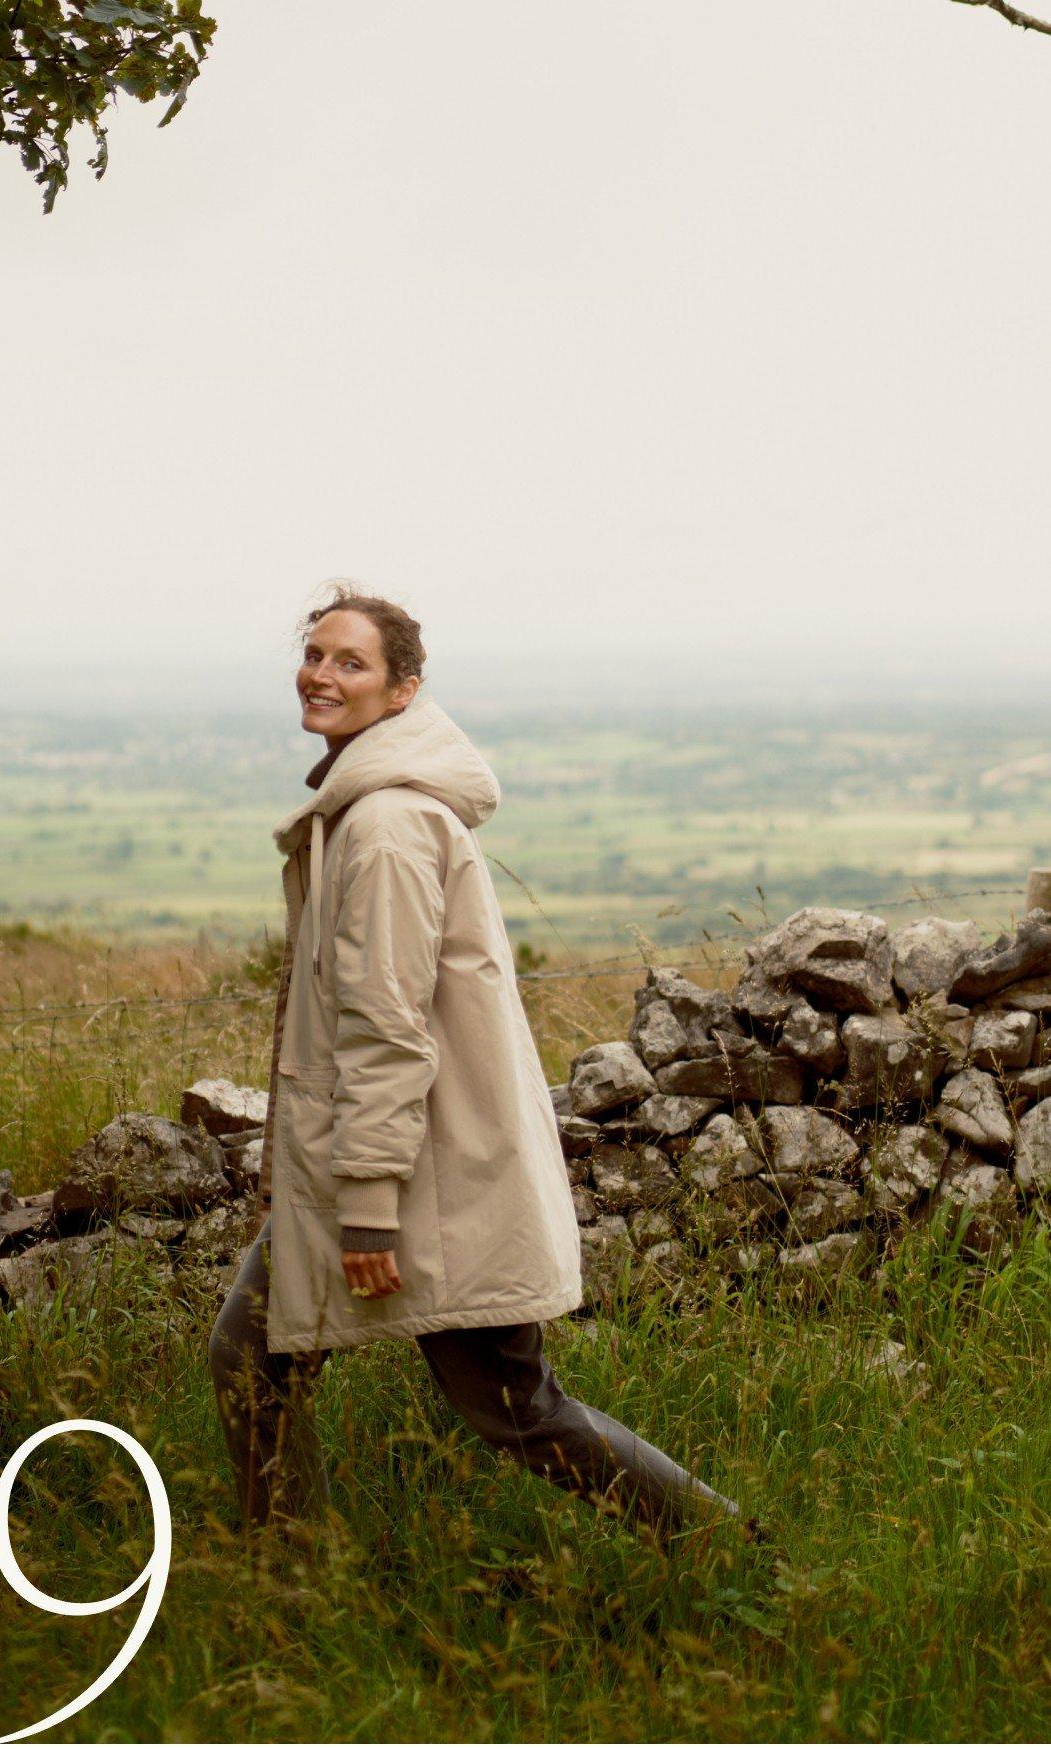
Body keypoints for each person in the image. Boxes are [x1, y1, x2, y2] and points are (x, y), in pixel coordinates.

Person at [208, 580, 762, 1550]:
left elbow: (385, 1030)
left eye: (351, 661)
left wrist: (367, 1201)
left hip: (424, 1182)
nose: (321, 674)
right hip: (391, 1168)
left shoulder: (381, 829)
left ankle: (728, 1549)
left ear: (402, 691)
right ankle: (284, 1576)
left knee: (516, 1411)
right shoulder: (362, 811)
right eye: (315, 653)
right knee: (251, 1358)